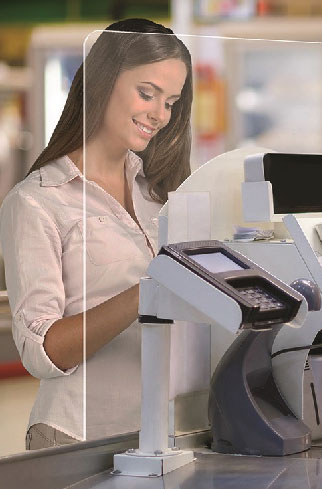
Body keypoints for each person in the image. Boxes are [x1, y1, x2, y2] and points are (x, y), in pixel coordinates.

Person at [0, 18, 193, 449]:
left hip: (164, 434)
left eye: (171, 102)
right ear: (103, 82)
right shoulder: (37, 201)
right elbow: (41, 351)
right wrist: (148, 291)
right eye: (147, 94)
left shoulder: (160, 192)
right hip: (79, 438)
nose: (159, 115)